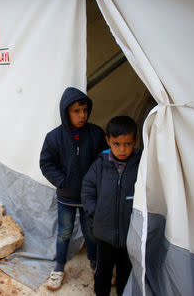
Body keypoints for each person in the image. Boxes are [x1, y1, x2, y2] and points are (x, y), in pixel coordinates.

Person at [40, 87, 107, 291]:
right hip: (66, 198)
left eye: (85, 110)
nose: (82, 115)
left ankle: (96, 267)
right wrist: (63, 181)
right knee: (64, 233)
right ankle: (59, 268)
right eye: (76, 111)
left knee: (91, 233)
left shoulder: (96, 133)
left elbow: (103, 161)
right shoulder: (54, 137)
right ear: (65, 112)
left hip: (89, 198)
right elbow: (46, 163)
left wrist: (94, 185)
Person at [81, 116, 142, 296]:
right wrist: (94, 211)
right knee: (103, 273)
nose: (122, 149)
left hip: (129, 235)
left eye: (127, 144)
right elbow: (87, 188)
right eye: (116, 144)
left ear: (135, 141)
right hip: (104, 234)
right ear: (108, 141)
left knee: (125, 272)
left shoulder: (141, 165)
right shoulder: (101, 164)